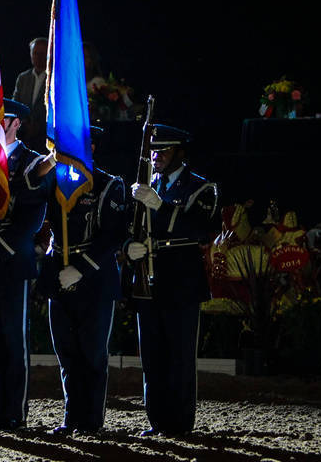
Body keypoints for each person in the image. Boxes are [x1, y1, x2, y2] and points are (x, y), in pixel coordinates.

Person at [31, 126, 127, 435]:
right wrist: (46, 162)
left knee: (92, 354)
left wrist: (82, 268)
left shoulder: (108, 185)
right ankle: (71, 418)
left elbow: (113, 236)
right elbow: (28, 184)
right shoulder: (55, 181)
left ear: (92, 149)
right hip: (59, 274)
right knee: (67, 353)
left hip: (94, 280)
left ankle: (91, 421)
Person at [126, 124, 219, 436]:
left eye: (163, 150)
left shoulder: (200, 188)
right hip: (148, 283)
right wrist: (130, 247)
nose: (157, 156)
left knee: (179, 357)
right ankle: (157, 421)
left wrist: (160, 206)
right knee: (152, 358)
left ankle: (179, 423)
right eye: (154, 150)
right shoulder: (148, 185)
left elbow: (198, 228)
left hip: (181, 283)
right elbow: (130, 228)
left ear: (180, 151)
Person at [0, 98, 48, 433]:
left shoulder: (31, 163)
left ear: (17, 124)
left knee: (12, 342)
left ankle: (13, 414)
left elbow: (31, 218)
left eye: (3, 121)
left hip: (12, 263)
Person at [11, 37, 48, 151]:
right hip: (25, 134)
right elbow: (15, 103)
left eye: (42, 53)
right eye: (36, 53)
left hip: (45, 135)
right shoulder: (23, 78)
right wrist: (25, 123)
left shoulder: (55, 79)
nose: (38, 57)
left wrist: (39, 126)